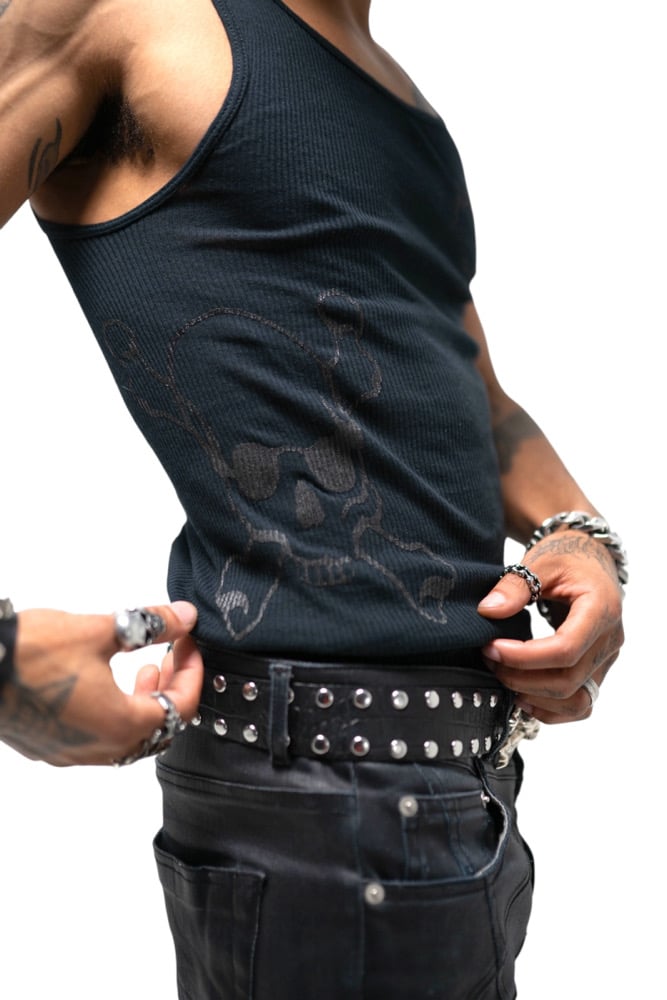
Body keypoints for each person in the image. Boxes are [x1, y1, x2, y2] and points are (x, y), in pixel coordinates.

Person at [1, 0, 625, 997]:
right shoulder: (118, 16)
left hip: (463, 801)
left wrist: (580, 536)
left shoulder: (397, 98)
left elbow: (470, 395)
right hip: (316, 799)